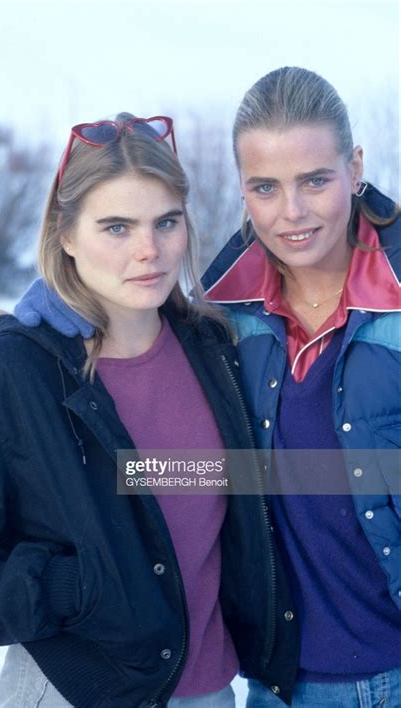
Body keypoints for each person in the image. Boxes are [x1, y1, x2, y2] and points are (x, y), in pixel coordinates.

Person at [0, 114, 299, 708]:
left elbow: (202, 490)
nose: (149, 250)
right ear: (66, 233)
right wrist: (77, 586)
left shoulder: (213, 349)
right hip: (76, 691)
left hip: (209, 691)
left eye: (166, 222)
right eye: (117, 227)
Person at [201, 67, 401, 707]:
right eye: (266, 187)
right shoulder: (218, 313)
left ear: (355, 166)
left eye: (315, 180)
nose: (292, 213)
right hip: (280, 685)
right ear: (242, 189)